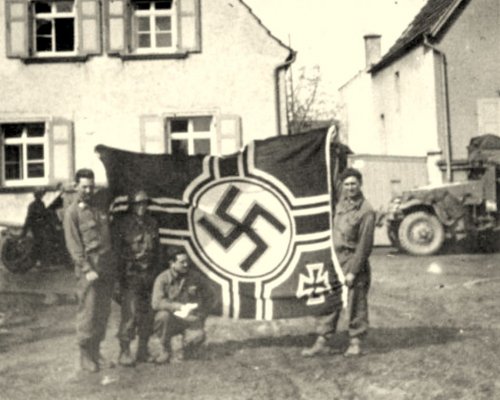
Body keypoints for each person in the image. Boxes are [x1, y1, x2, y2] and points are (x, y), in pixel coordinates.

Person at [302, 167, 375, 357]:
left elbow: (364, 245)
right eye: (347, 184)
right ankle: (322, 341)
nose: (350, 187)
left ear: (360, 185)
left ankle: (356, 342)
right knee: (329, 301)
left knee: (355, 303)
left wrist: (353, 271)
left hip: (352, 262)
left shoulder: (366, 210)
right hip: (335, 262)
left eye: (354, 184)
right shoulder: (340, 205)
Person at [63, 168, 117, 372]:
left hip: (105, 267)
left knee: (102, 311)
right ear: (76, 186)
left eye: (91, 186)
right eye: (84, 186)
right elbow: (74, 247)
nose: (87, 190)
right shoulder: (73, 213)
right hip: (89, 269)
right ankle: (85, 355)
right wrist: (87, 268)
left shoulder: (99, 208)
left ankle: (96, 352)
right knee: (88, 312)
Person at [114, 190, 160, 366]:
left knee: (147, 314)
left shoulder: (152, 223)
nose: (142, 207)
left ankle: (143, 350)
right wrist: (119, 280)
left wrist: (156, 274)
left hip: (149, 275)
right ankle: (124, 352)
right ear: (131, 206)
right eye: (138, 204)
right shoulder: (123, 225)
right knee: (130, 314)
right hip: (131, 275)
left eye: (144, 203)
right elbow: (117, 254)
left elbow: (158, 250)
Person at [151, 248, 212, 364]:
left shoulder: (195, 277)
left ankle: (188, 349)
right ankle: (165, 349)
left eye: (187, 261)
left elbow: (210, 296)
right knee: (162, 316)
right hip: (171, 319)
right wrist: (177, 307)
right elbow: (156, 303)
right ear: (172, 263)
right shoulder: (162, 278)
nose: (186, 264)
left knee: (198, 335)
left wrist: (203, 314)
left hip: (189, 318)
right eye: (182, 262)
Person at [22, 187, 50, 269]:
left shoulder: (42, 204)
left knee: (43, 242)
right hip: (35, 226)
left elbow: (45, 215)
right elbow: (29, 217)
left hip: (41, 226)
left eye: (41, 195)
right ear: (36, 196)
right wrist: (25, 230)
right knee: (37, 243)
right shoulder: (32, 205)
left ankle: (41, 261)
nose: (40, 197)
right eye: (39, 195)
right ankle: (36, 261)